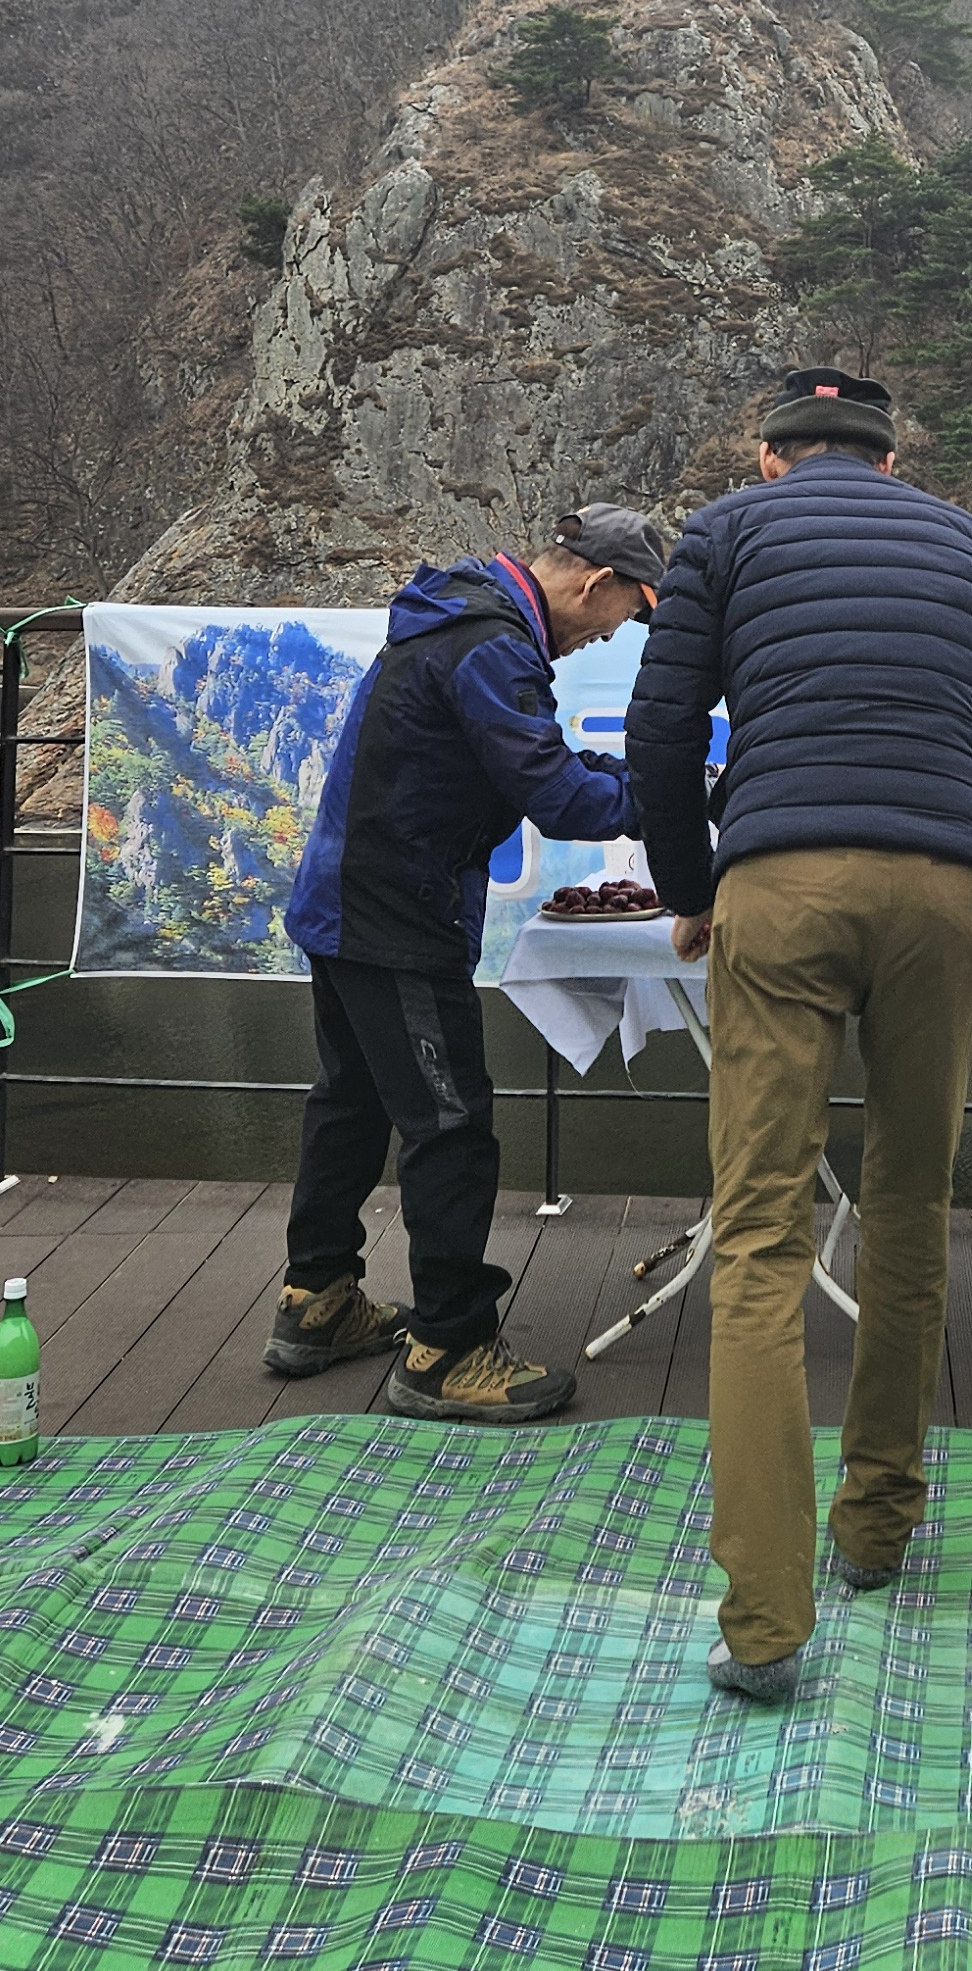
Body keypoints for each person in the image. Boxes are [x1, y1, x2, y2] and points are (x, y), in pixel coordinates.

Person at [624, 367, 972, 1702]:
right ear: (887, 460)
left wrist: (693, 888)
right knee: (911, 1202)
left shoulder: (722, 532)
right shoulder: (966, 540)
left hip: (782, 882)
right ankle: (878, 1524)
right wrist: (954, 835)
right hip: (946, 894)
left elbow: (660, 730)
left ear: (769, 454)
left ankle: (765, 1622)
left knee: (761, 1232)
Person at [267, 503, 664, 1422]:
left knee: (352, 1104)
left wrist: (637, 780)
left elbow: (535, 762)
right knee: (451, 1127)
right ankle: (448, 1348)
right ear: (596, 582)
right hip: (399, 913)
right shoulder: (492, 647)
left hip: (346, 897)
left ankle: (317, 1300)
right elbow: (560, 798)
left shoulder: (465, 617)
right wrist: (668, 798)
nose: (611, 636)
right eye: (624, 617)